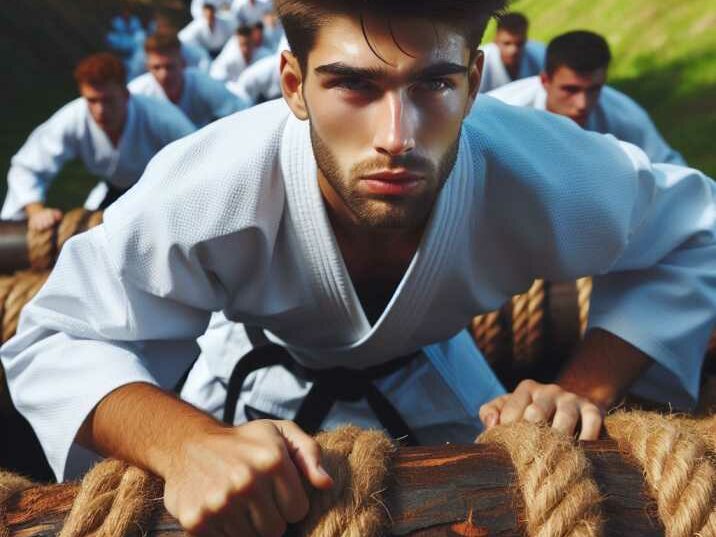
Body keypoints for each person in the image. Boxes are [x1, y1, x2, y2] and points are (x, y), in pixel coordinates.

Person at [3, 3, 715, 537]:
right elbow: (56, 334)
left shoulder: (539, 169)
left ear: (472, 84)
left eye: (433, 83)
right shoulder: (209, 186)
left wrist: (576, 388)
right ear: (293, 83)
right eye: (353, 85)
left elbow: (697, 229)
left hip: (447, 388)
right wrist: (187, 443)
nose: (396, 139)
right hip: (247, 392)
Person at [1, 53, 195, 229]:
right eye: (92, 101)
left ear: (125, 95)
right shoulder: (72, 118)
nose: (100, 110)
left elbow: (198, 161)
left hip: (164, 193)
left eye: (108, 100)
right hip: (114, 191)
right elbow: (26, 167)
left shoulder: (163, 118)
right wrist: (35, 211)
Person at [487, 30, 686, 165]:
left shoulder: (626, 118)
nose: (582, 104)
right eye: (570, 90)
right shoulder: (500, 113)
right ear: (545, 80)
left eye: (594, 89)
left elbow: (671, 170)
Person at [129, 33, 247, 128]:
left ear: (183, 64)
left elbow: (240, 111)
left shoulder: (202, 83)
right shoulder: (136, 92)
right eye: (156, 67)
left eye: (170, 66)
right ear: (147, 67)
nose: (164, 75)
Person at [478, 12, 545, 93]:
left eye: (519, 44)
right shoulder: (480, 60)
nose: (513, 50)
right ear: (495, 40)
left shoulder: (539, 53)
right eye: (507, 43)